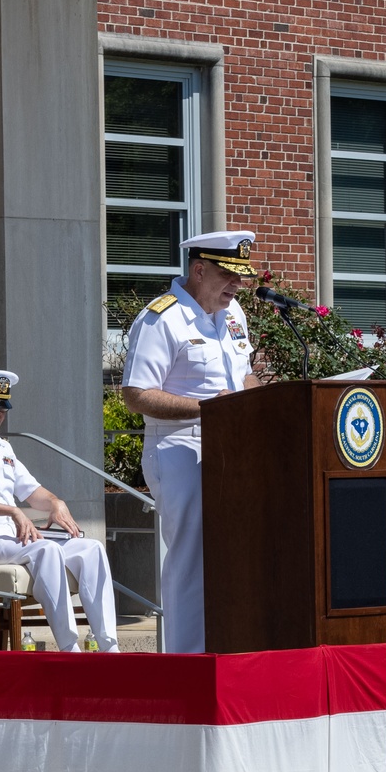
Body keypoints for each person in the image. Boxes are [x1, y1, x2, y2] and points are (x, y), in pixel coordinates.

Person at [121, 231, 261, 654]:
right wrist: (207, 408)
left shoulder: (233, 312)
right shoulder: (160, 318)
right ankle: (186, 662)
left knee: (235, 553)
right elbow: (136, 394)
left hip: (231, 448)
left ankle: (227, 651)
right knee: (189, 557)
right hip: (178, 447)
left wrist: (257, 399)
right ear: (198, 270)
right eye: (227, 275)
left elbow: (244, 374)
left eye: (240, 277)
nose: (236, 286)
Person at [0, 371, 119, 653]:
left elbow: (32, 492)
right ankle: (69, 648)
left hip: (11, 538)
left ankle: (108, 647)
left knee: (90, 549)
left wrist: (56, 502)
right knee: (46, 550)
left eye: (2, 407)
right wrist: (12, 511)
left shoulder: (2, 447)